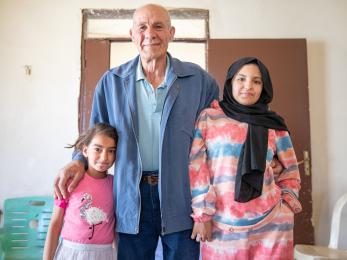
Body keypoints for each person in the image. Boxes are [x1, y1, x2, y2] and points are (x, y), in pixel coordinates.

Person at [54, 4, 219, 260]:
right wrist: (77, 162)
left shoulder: (199, 80)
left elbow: (219, 137)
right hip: (131, 196)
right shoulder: (111, 83)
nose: (149, 33)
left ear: (171, 32)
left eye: (158, 26)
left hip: (181, 194)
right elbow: (93, 136)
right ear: (132, 34)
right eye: (142, 27)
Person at [189, 57, 302, 259]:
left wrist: (286, 207)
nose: (248, 86)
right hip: (222, 227)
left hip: (272, 227)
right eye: (241, 79)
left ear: (264, 87)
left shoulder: (273, 124)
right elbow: (197, 169)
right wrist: (202, 215)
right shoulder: (209, 117)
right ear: (230, 82)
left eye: (256, 81)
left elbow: (291, 170)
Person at [43, 123, 118, 260]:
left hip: (105, 254)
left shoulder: (116, 185)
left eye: (111, 151)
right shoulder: (69, 182)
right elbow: (55, 224)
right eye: (98, 149)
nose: (104, 157)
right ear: (85, 151)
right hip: (70, 253)